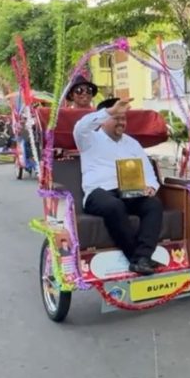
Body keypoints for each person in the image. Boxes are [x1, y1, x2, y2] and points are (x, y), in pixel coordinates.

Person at [75, 98, 163, 275]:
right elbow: (80, 126)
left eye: (124, 118)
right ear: (104, 119)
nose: (122, 122)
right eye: (117, 117)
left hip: (129, 191)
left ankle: (143, 257)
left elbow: (148, 172)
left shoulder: (132, 143)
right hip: (98, 193)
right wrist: (108, 111)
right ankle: (136, 259)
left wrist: (151, 187)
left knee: (153, 204)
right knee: (114, 205)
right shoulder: (89, 138)